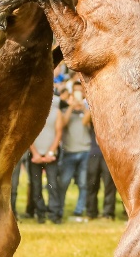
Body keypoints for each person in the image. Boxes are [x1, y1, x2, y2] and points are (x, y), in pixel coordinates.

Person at [58, 81, 92, 222]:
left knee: (83, 184)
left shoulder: (88, 110)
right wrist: (72, 106)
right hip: (69, 152)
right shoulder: (66, 111)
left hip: (85, 151)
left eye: (81, 92)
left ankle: (79, 210)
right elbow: (63, 124)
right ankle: (59, 209)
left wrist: (83, 107)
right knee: (64, 182)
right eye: (76, 92)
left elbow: (86, 122)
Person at [28, 92, 63, 224]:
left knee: (53, 185)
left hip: (50, 155)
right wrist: (35, 153)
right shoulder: (32, 113)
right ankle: (40, 214)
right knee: (36, 186)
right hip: (35, 155)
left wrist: (50, 152)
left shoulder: (56, 112)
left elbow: (59, 133)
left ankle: (54, 214)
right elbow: (28, 134)